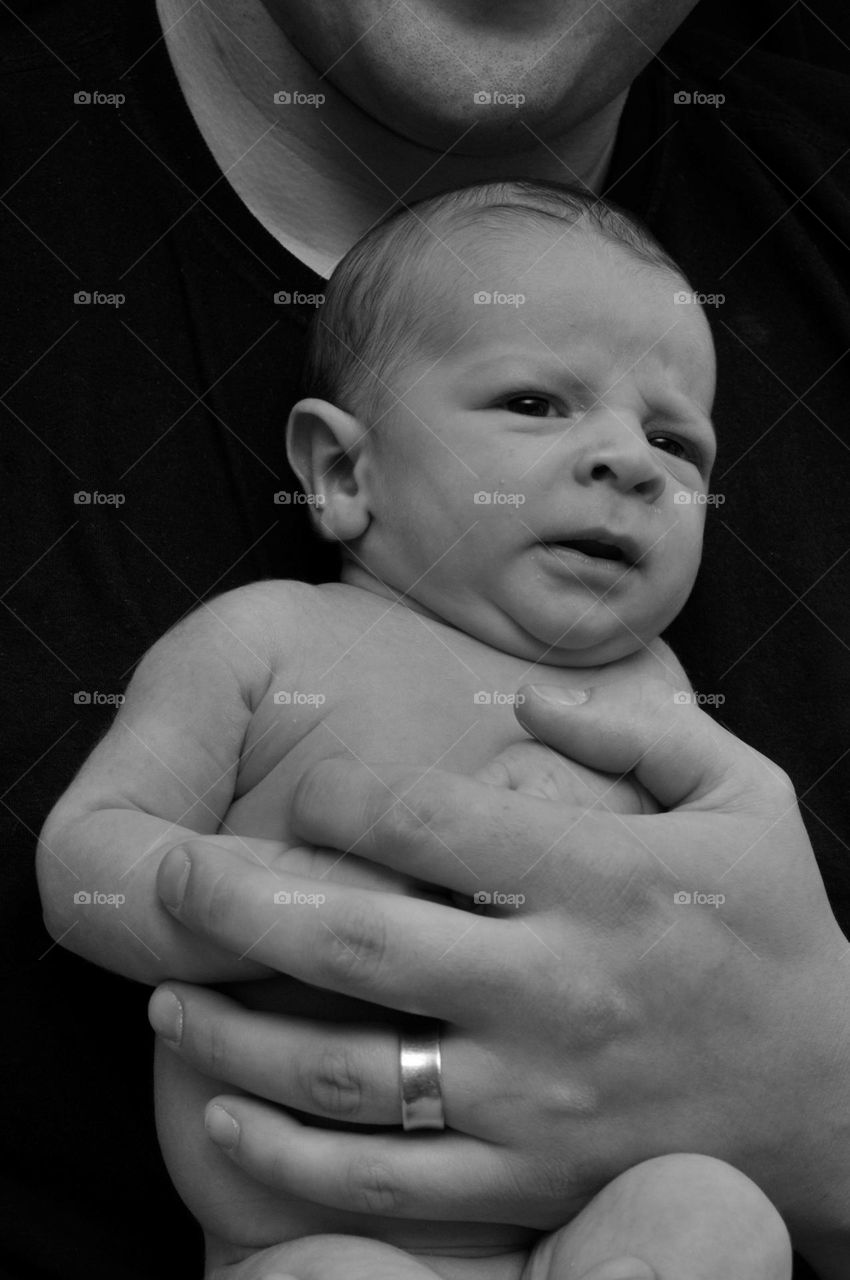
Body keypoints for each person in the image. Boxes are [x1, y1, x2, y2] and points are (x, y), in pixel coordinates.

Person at [3, 2, 848, 1278]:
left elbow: (730, 948)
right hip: (320, 1235)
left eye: (676, 443)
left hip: (585, 1226)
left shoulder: (660, 702)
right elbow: (86, 860)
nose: (626, 457)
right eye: (532, 402)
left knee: (713, 1219)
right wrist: (265, 914)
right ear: (341, 473)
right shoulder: (268, 641)